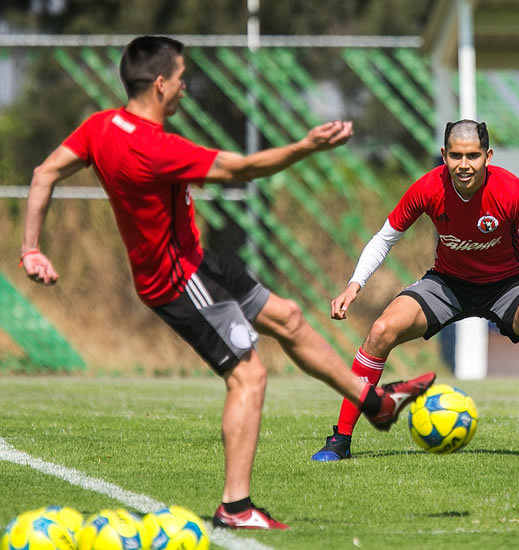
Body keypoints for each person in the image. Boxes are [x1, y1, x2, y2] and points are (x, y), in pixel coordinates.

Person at [18, 35, 435, 530]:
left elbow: (44, 173)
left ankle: (375, 404)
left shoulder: (100, 126)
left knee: (289, 318)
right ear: (158, 84)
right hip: (179, 281)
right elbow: (244, 169)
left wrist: (31, 248)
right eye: (180, 79)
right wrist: (306, 146)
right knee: (249, 376)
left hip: (200, 263)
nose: (184, 89)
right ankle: (235, 507)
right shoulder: (156, 148)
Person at [309, 119, 519, 463]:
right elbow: (385, 238)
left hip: (507, 284)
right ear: (444, 155)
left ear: (488, 156)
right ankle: (340, 440)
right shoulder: (427, 187)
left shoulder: (511, 191)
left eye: (472, 156)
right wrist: (354, 285)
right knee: (380, 331)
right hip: (447, 283)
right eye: (455, 156)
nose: (463, 165)